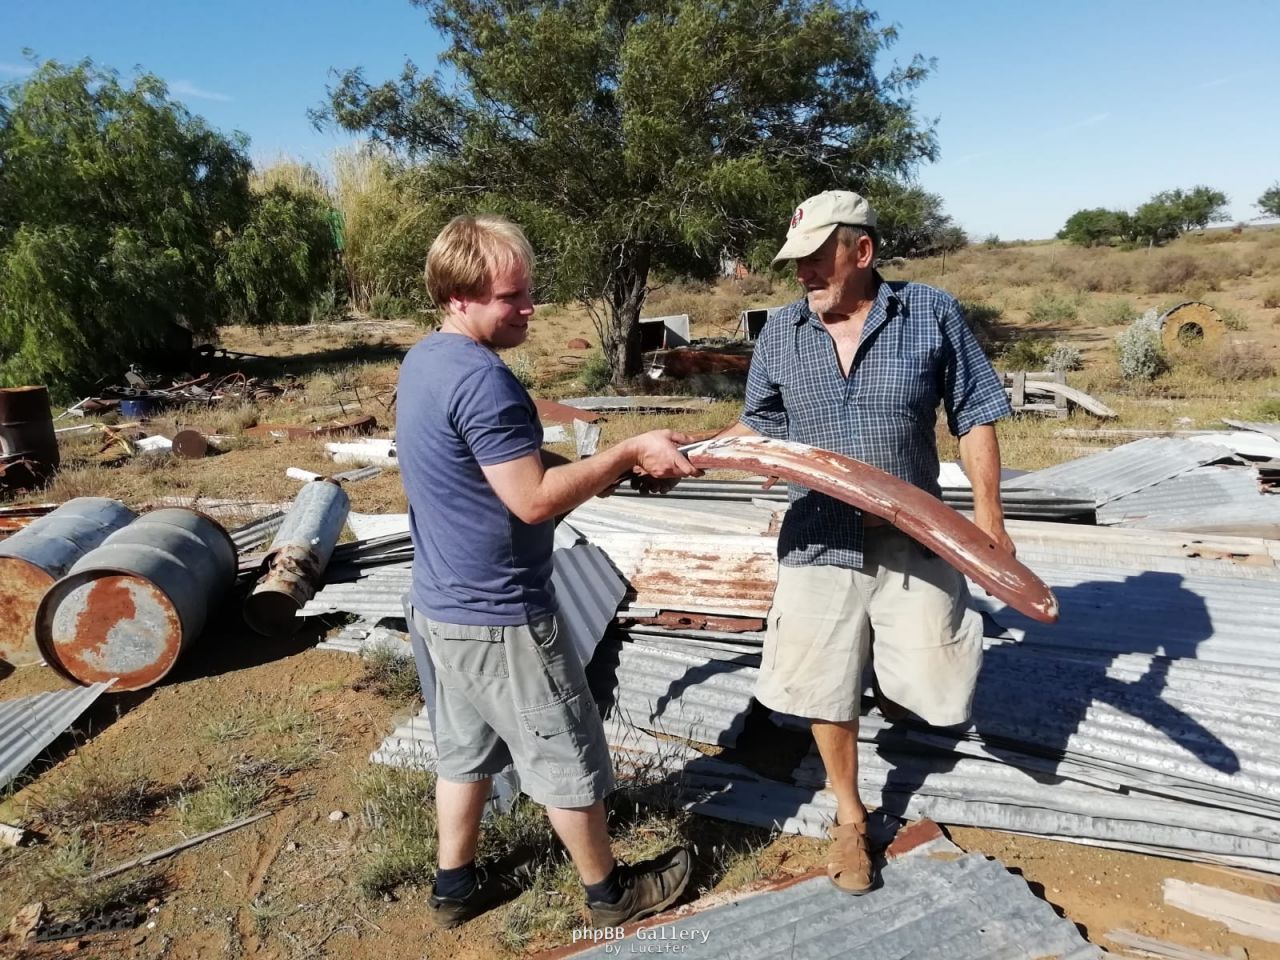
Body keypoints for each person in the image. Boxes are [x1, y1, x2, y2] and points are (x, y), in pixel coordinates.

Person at [397, 214, 699, 928]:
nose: (529, 307)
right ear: (459, 296)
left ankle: (453, 889)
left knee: (464, 754)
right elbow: (532, 500)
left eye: (529, 291)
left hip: (440, 605)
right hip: (501, 616)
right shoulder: (484, 382)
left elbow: (502, 467)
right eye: (511, 297)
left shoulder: (425, 361)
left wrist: (603, 474)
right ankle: (610, 895)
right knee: (566, 755)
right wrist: (625, 454)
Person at [718, 190, 1013, 894]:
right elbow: (759, 425)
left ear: (863, 251)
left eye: (817, 258)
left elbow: (975, 413)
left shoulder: (929, 313)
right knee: (825, 681)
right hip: (819, 539)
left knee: (934, 682)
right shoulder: (781, 332)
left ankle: (887, 680)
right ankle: (849, 815)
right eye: (796, 261)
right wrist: (690, 453)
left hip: (912, 536)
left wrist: (989, 520)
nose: (803, 274)